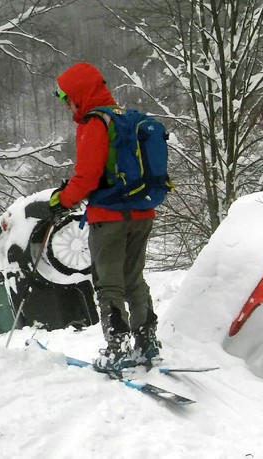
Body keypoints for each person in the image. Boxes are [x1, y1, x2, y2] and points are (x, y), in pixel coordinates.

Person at [48, 62, 161, 372]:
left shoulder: (94, 123)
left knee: (109, 284)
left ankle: (118, 348)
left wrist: (61, 200)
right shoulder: (124, 119)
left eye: (66, 97)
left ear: (79, 94)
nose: (66, 105)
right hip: (142, 213)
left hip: (109, 218)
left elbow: (87, 178)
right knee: (134, 279)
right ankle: (146, 342)